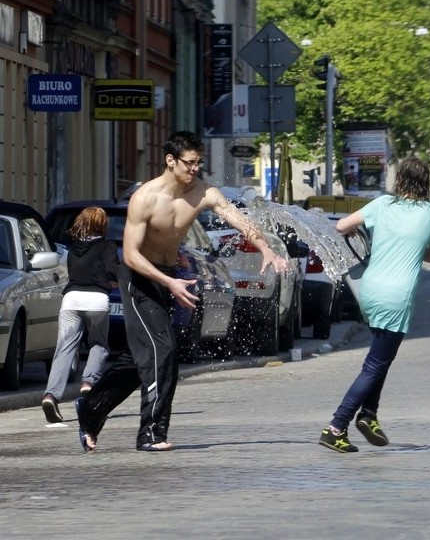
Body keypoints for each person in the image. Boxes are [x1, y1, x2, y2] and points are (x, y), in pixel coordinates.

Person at [74, 131, 290, 453]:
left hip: (170, 277)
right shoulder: (145, 198)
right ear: (170, 161)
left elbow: (238, 219)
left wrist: (266, 250)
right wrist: (169, 282)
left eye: (198, 163)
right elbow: (131, 255)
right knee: (165, 353)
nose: (194, 169)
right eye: (189, 163)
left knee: (139, 360)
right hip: (139, 280)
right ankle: (151, 433)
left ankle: (90, 407)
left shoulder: (204, 192)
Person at [319, 158, 430, 453]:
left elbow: (340, 226)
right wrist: (411, 245)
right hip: (397, 296)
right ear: (425, 183)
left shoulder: (382, 204)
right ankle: (336, 426)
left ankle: (369, 415)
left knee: (380, 358)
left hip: (370, 289)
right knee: (375, 365)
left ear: (399, 181)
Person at [42, 207, 119, 423]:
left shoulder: (73, 248)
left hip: (71, 301)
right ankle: (88, 383)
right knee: (99, 345)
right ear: (102, 225)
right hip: (96, 301)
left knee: (64, 349)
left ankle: (50, 396)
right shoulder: (107, 246)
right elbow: (113, 270)